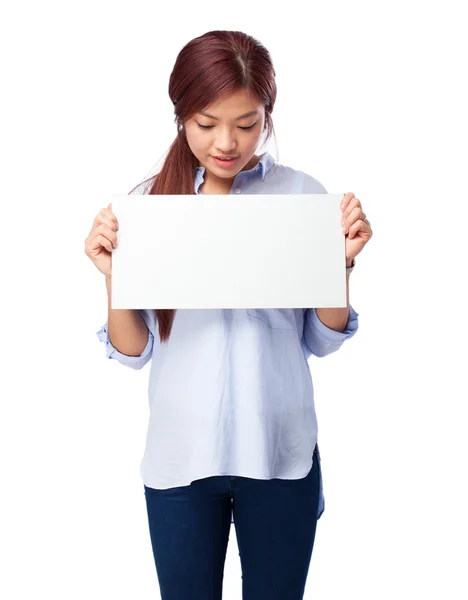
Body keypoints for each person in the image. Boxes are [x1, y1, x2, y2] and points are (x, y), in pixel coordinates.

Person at [84, 29, 373, 600]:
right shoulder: (147, 208)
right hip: (182, 458)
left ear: (268, 116)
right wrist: (116, 279)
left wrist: (338, 267)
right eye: (207, 122)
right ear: (181, 116)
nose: (226, 142)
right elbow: (133, 352)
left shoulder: (301, 198)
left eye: (246, 124)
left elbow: (322, 339)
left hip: (281, 450)